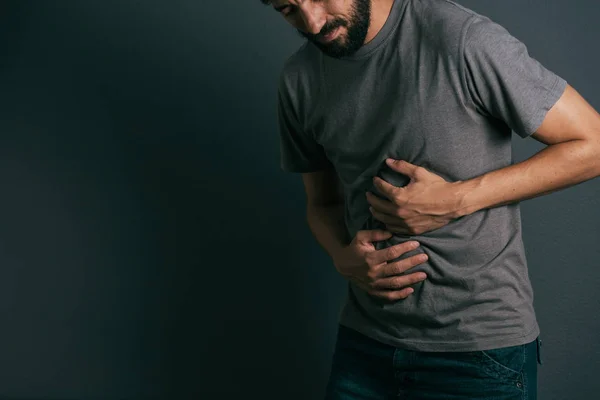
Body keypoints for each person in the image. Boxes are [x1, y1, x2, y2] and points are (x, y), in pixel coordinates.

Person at [261, 0, 600, 398]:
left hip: (478, 354)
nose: (312, 23)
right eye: (288, 9)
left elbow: (592, 144)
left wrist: (456, 200)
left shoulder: (462, 40)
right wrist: (341, 256)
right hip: (364, 346)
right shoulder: (299, 78)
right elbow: (322, 204)